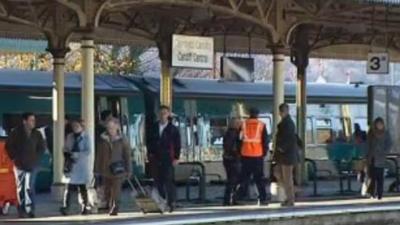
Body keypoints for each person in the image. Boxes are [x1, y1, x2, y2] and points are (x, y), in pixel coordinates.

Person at [5, 112, 46, 218]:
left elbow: (42, 147)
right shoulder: (16, 132)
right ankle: (21, 209)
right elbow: (8, 146)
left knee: (29, 187)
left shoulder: (37, 134)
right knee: (20, 188)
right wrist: (14, 157)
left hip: (33, 164)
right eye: (31, 120)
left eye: (34, 120)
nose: (33, 122)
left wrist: (37, 158)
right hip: (19, 165)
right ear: (24, 121)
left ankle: (31, 209)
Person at [147, 105, 181, 212]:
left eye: (165, 113)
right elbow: (149, 142)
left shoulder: (173, 129)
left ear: (168, 114)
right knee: (158, 181)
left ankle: (171, 202)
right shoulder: (153, 127)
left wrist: (176, 157)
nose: (162, 116)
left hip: (168, 158)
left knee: (168, 180)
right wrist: (150, 154)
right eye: (161, 113)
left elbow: (177, 144)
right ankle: (161, 201)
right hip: (156, 158)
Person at [95, 118, 132, 216]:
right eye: (108, 128)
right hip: (105, 169)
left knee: (116, 190)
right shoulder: (102, 139)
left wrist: (129, 170)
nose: (110, 130)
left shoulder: (123, 140)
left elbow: (127, 156)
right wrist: (96, 169)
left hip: (118, 169)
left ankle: (115, 207)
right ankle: (109, 203)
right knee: (107, 190)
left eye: (112, 127)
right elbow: (99, 155)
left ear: (117, 127)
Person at [60, 119, 92, 215]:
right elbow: (65, 148)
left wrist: (77, 155)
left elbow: (88, 151)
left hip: (81, 165)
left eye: (77, 126)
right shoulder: (70, 137)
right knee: (69, 187)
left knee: (82, 187)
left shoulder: (86, 137)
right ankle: (66, 207)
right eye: (74, 126)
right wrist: (67, 153)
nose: (75, 128)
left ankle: (85, 206)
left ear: (81, 127)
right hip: (71, 165)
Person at [238, 107, 268, 206]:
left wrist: (239, 152)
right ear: (257, 114)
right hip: (257, 155)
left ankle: (240, 197)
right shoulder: (261, 125)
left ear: (249, 114)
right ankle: (263, 198)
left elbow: (239, 140)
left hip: (245, 155)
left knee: (244, 178)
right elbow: (265, 141)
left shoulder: (243, 124)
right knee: (259, 178)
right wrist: (264, 153)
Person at [274, 103, 298, 207]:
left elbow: (288, 139)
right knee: (278, 173)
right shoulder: (286, 123)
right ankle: (288, 196)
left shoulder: (288, 123)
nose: (281, 113)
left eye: (282, 111)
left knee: (287, 178)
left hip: (287, 156)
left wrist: (281, 148)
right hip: (284, 156)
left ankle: (290, 199)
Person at [367, 117, 392, 200]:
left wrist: (384, 152)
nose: (379, 126)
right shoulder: (371, 133)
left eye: (381, 124)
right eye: (378, 124)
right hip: (372, 158)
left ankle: (380, 194)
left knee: (380, 177)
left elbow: (389, 144)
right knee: (372, 177)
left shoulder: (386, 133)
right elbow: (368, 144)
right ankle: (372, 193)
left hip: (381, 158)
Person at [222, 118, 242, 206]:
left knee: (231, 180)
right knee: (233, 180)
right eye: (239, 124)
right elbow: (231, 147)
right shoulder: (233, 134)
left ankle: (230, 199)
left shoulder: (228, 133)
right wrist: (237, 154)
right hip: (233, 159)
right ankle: (230, 199)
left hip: (228, 159)